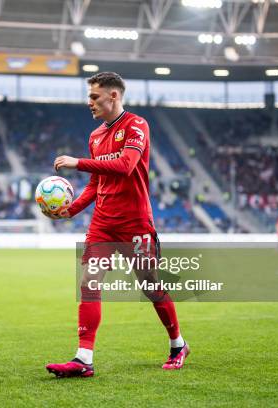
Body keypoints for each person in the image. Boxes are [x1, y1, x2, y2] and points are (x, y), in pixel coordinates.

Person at [45, 72, 189, 378]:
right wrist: (71, 210)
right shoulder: (96, 136)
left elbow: (125, 166)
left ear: (113, 96)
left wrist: (77, 162)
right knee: (89, 282)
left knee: (150, 286)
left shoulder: (137, 125)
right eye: (89, 97)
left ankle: (178, 344)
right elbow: (96, 185)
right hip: (103, 224)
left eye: (94, 97)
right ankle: (84, 359)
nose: (89, 103)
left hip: (135, 222)